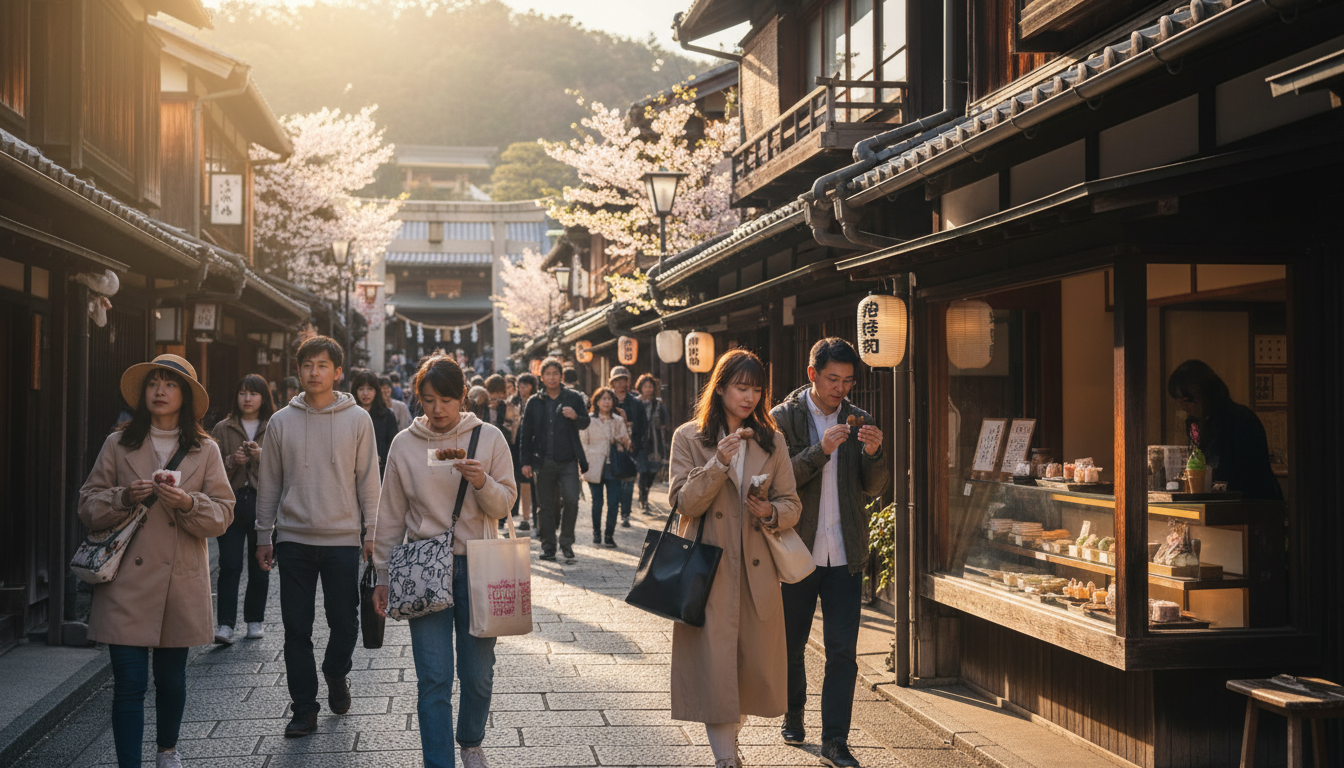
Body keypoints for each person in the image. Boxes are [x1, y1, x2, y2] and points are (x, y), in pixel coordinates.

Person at [79, 355, 234, 768]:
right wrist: (123, 496)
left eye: (170, 384)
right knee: (128, 683)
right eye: (153, 384)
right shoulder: (118, 444)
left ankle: (167, 751)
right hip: (124, 582)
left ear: (185, 396)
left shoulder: (206, 450)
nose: (160, 391)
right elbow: (87, 505)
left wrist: (187, 503)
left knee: (170, 679)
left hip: (177, 580)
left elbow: (223, 514)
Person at [371, 353, 516, 768]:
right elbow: (390, 512)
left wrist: (482, 482)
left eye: (447, 400)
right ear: (419, 397)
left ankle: (470, 740)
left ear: (462, 397)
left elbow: (506, 503)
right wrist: (382, 574)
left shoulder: (488, 437)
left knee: (478, 674)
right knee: (433, 677)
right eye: (429, 400)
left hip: (478, 567)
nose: (438, 410)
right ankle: (439, 762)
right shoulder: (404, 444)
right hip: (422, 568)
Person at [667, 349, 801, 768]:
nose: (749, 397)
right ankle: (726, 759)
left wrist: (772, 511)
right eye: (741, 387)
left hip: (757, 569)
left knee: (748, 667)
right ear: (720, 387)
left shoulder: (772, 440)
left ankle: (732, 743)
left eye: (757, 389)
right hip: (707, 569)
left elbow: (792, 504)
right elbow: (683, 502)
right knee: (716, 667)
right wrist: (718, 464)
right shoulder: (689, 437)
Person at [254, 336, 382, 738]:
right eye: (308, 365)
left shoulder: (357, 419)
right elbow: (269, 482)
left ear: (337, 372)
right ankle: (304, 708)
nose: (314, 372)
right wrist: (263, 534)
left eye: (323, 365)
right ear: (298, 370)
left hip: (342, 538)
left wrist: (372, 531)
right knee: (296, 627)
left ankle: (335, 671)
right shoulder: (281, 421)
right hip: (293, 539)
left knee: (344, 622)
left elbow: (369, 480)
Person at [771, 338, 890, 766]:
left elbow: (874, 488)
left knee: (843, 652)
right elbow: (777, 480)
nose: (840, 389)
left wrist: (874, 454)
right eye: (832, 379)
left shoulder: (860, 420)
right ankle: (793, 710)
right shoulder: (782, 419)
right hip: (797, 550)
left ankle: (835, 740)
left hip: (845, 551)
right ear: (812, 375)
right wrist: (820, 451)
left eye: (848, 381)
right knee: (791, 644)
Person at [211, 374, 277, 645]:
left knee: (260, 564)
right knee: (229, 565)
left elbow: (284, 466)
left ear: (263, 398)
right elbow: (210, 470)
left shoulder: (274, 426)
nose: (247, 399)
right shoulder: (222, 428)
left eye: (253, 393)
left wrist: (263, 456)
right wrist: (230, 461)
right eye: (242, 393)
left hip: (263, 503)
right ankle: (225, 624)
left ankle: (255, 619)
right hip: (231, 504)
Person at [1168, 359, 1282, 500]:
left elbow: (1245, 472)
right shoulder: (1194, 423)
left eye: (1186, 400)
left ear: (1205, 393)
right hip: (1216, 500)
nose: (1183, 406)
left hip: (1249, 500)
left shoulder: (1239, 418)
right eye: (1178, 401)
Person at [517, 357, 590, 563]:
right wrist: (525, 462)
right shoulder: (534, 402)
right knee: (545, 506)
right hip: (542, 462)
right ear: (541, 377)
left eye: (555, 373)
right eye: (547, 374)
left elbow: (585, 422)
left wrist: (575, 416)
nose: (551, 378)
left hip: (568, 461)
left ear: (561, 376)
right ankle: (548, 546)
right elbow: (525, 434)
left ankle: (566, 542)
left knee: (572, 500)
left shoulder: (573, 398)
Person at [580, 387, 631, 548]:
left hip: (614, 466)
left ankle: (609, 534)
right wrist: (586, 461)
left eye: (609, 399)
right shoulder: (589, 420)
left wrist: (620, 435)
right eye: (603, 399)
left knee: (614, 502)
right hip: (594, 464)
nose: (607, 402)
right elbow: (583, 442)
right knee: (597, 502)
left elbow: (626, 442)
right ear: (596, 401)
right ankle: (596, 532)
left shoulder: (617, 420)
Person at [607, 366, 647, 528]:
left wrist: (635, 442)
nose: (620, 384)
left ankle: (625, 513)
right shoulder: (607, 400)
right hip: (611, 446)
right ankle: (615, 508)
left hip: (631, 446)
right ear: (612, 383)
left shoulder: (636, 403)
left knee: (629, 481)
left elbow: (643, 425)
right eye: (617, 381)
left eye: (623, 380)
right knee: (614, 480)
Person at [353, 369, 400, 476]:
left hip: (380, 472)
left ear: (376, 391)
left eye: (370, 389)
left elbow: (393, 447)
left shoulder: (387, 416)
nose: (365, 393)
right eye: (361, 389)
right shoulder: (349, 415)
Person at [634, 373, 670, 511]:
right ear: (640, 388)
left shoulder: (659, 403)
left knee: (653, 470)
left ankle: (645, 491)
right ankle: (643, 497)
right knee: (643, 470)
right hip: (640, 441)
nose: (648, 389)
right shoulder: (636, 402)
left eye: (650, 387)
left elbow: (665, 420)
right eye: (645, 386)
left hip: (655, 441)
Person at [510, 373, 538, 531]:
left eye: (525, 386)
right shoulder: (514, 402)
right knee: (523, 481)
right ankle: (526, 517)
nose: (522, 390)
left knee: (535, 484)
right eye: (519, 387)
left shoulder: (538, 401)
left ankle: (536, 516)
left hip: (534, 445)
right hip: (517, 444)